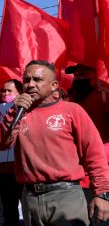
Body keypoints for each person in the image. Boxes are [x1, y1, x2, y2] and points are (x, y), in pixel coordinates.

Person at [0, 60, 109, 226]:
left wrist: (102, 193)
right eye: (26, 80)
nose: (30, 85)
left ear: (53, 85)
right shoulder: (18, 112)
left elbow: (94, 155)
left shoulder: (72, 111)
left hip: (66, 197)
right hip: (30, 198)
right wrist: (12, 113)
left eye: (37, 80)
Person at [65, 63, 109, 226]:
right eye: (75, 74)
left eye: (82, 73)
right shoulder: (71, 101)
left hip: (101, 178)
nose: (77, 76)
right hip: (76, 179)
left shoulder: (102, 97)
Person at [0, 79, 24, 226]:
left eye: (10, 91)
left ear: (20, 94)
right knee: (9, 209)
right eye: (3, 91)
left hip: (21, 169)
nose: (5, 93)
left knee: (26, 207)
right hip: (2, 170)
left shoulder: (27, 111)